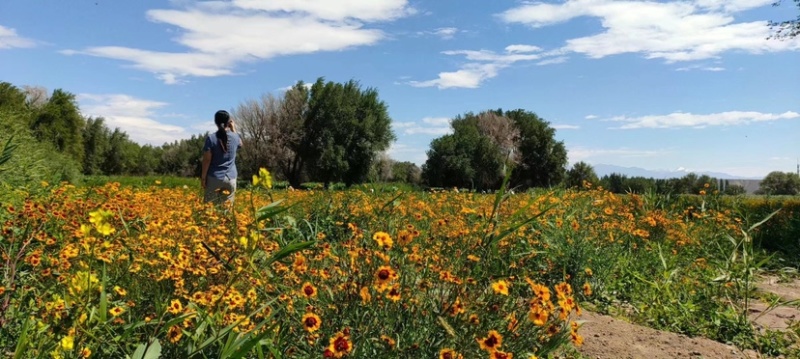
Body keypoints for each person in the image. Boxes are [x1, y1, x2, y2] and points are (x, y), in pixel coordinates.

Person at [201, 110, 243, 205]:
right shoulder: (235, 137)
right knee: (227, 211)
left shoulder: (211, 138)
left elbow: (207, 160)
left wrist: (203, 178)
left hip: (214, 178)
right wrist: (233, 128)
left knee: (209, 208)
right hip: (231, 178)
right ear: (228, 122)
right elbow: (240, 144)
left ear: (216, 122)